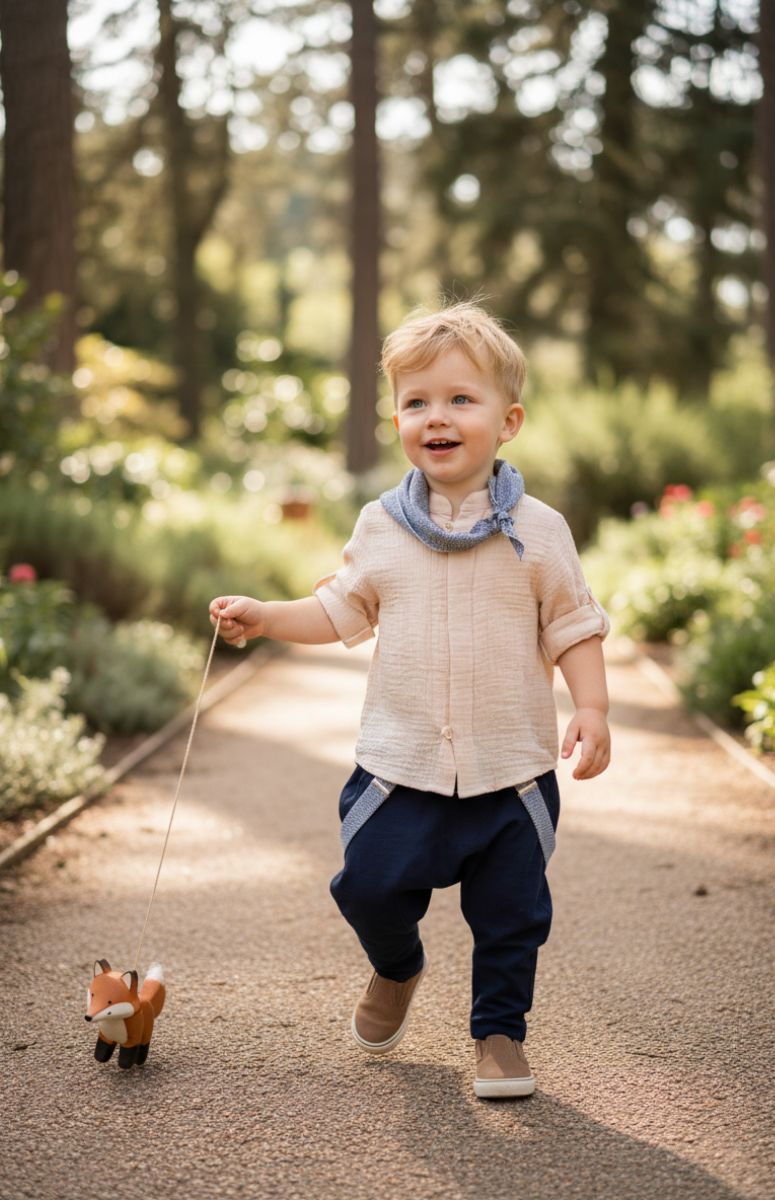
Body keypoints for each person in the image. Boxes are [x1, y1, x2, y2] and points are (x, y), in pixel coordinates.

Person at [209, 301, 611, 1100]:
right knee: (365, 886)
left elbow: (573, 625)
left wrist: (592, 708)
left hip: (511, 772)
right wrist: (267, 616)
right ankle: (397, 967)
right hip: (400, 767)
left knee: (512, 916)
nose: (438, 417)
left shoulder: (539, 531)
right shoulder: (381, 526)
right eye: (417, 401)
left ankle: (499, 1035)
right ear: (396, 419)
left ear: (508, 421)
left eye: (462, 399)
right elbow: (340, 609)